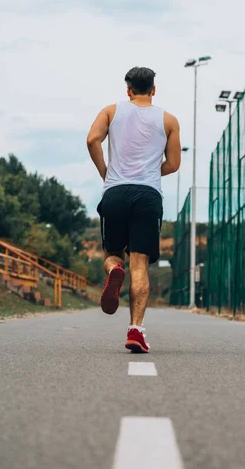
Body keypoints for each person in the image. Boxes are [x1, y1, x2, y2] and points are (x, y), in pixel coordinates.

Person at [86, 66, 181, 353]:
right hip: (147, 195)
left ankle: (115, 269)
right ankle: (135, 330)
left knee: (113, 255)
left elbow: (92, 140)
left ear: (128, 89)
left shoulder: (110, 111)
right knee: (140, 264)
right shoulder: (168, 120)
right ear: (154, 89)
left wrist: (107, 171)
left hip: (115, 191)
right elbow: (174, 164)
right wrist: (150, 172)